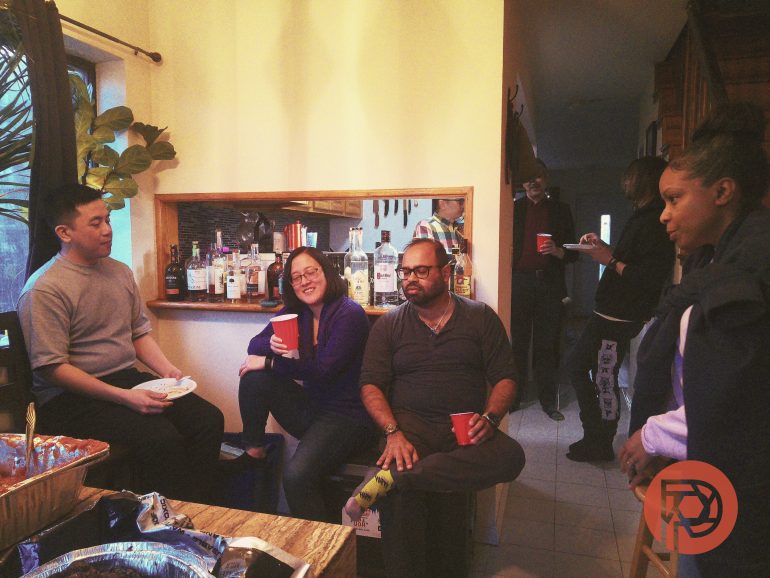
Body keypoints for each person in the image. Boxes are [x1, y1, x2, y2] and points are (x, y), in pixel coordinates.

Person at [621, 103, 770, 576]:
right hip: (705, 465)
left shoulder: (753, 270)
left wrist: (655, 435)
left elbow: (736, 395)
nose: (664, 215)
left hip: (742, 481)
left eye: (674, 199)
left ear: (723, 191)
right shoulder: (713, 259)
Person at [17, 184, 224, 502]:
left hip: (124, 380)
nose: (107, 230)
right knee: (161, 438)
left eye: (108, 219)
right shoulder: (44, 288)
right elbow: (52, 369)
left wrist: (168, 371)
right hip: (69, 400)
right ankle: (159, 520)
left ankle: (199, 507)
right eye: (95, 223)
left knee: (208, 419)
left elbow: (138, 333)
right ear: (64, 232)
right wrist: (125, 398)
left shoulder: (119, 272)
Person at [345, 238, 525, 578]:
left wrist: (490, 418)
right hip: (409, 434)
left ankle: (395, 479)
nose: (410, 279)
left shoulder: (479, 317)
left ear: (445, 272)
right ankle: (398, 481)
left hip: (464, 434)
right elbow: (370, 385)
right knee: (401, 510)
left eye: (421, 271)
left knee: (512, 457)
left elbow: (505, 377)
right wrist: (392, 433)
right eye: (405, 272)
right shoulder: (389, 325)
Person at [234, 246, 376, 521]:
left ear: (326, 272)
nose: (305, 281)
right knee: (254, 376)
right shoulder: (297, 312)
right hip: (314, 410)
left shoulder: (349, 313)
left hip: (349, 417)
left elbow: (323, 371)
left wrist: (270, 362)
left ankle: (323, 544)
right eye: (297, 277)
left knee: (296, 475)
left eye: (311, 272)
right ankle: (254, 450)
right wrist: (271, 345)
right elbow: (254, 345)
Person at [566, 157, 674, 462]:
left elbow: (648, 277)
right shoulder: (642, 216)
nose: (625, 182)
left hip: (619, 316)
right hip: (610, 312)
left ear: (644, 181)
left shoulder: (654, 221)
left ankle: (601, 441)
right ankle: (594, 435)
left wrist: (610, 260)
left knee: (603, 376)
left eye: (630, 177)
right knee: (584, 368)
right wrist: (604, 248)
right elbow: (633, 262)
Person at [510, 159, 578, 420]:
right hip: (518, 282)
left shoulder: (561, 210)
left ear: (546, 178)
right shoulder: (512, 209)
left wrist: (558, 250)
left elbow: (573, 254)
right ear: (522, 182)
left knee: (546, 344)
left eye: (537, 176)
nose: (533, 182)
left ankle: (548, 401)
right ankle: (515, 397)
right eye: (528, 177)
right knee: (517, 343)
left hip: (549, 284)